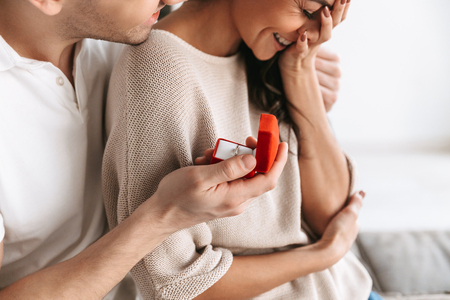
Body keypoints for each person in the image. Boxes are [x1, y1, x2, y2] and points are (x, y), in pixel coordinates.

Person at [0, 0, 344, 299]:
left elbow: (331, 209)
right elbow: (172, 280)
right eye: (309, 10)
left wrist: (300, 75)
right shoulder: (149, 57)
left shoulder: (122, 31)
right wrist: (163, 215)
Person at [103, 0, 373, 299]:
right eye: (309, 12)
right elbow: (172, 284)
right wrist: (324, 254)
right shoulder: (158, 69)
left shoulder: (269, 54)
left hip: (348, 288)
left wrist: (300, 69)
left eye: (328, 19)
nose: (311, 35)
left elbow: (331, 217)